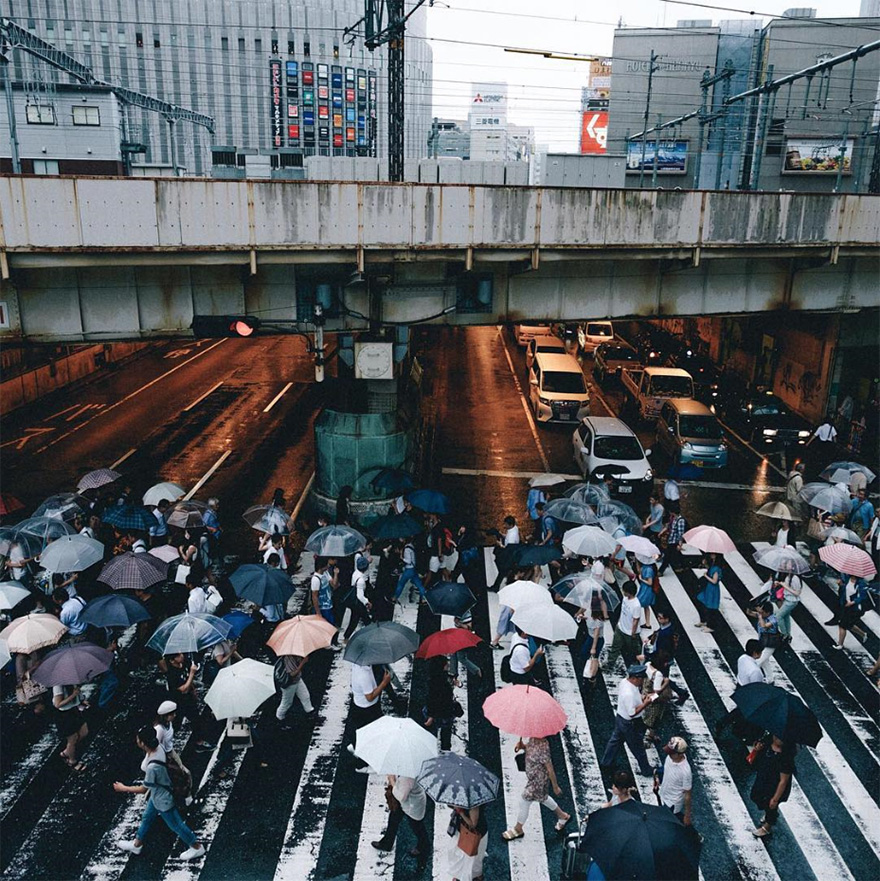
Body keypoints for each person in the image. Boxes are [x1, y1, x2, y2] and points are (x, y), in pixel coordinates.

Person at [114, 726, 205, 860]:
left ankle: (197, 847)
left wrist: (124, 788)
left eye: (138, 739)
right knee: (147, 817)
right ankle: (137, 844)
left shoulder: (152, 767)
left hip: (163, 799)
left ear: (143, 744)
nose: (137, 741)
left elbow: (144, 789)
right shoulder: (159, 748)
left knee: (176, 825)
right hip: (157, 795)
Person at [502, 736, 571, 841]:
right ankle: (562, 816)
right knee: (543, 798)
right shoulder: (533, 739)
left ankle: (518, 829)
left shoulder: (543, 747)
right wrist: (523, 747)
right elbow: (532, 751)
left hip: (538, 782)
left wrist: (555, 786)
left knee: (524, 801)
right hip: (533, 779)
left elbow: (550, 769)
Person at [599, 663, 656, 777]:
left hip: (621, 718)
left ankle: (606, 763)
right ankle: (646, 770)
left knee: (615, 741)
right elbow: (632, 713)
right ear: (634, 678)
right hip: (630, 723)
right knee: (638, 747)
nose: (643, 681)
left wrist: (641, 698)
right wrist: (646, 703)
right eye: (641, 679)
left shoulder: (625, 682)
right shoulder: (628, 693)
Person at [371, 774, 430, 868]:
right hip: (409, 801)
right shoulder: (408, 771)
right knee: (394, 818)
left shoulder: (408, 777)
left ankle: (424, 846)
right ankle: (387, 843)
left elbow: (401, 796)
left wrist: (392, 781)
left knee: (417, 827)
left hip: (412, 805)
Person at [163, 652, 214, 752]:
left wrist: (193, 690)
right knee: (176, 723)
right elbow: (183, 689)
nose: (181, 655)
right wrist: (192, 673)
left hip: (188, 699)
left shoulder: (183, 664)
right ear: (172, 660)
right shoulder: (172, 674)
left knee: (196, 719)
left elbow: (187, 681)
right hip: (178, 701)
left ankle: (199, 742)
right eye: (178, 655)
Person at [346, 663, 392, 772]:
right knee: (369, 734)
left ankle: (355, 745)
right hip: (367, 709)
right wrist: (384, 682)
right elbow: (370, 697)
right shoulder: (364, 675)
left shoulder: (358, 665)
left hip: (360, 705)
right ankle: (361, 765)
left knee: (362, 730)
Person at [715, 640, 765, 739]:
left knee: (741, 712)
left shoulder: (742, 658)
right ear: (755, 652)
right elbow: (757, 687)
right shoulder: (755, 671)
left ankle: (733, 727)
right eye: (760, 652)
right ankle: (725, 724)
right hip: (749, 693)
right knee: (744, 713)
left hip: (740, 686)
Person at [749, 735, 796, 838]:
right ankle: (769, 813)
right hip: (763, 779)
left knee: (771, 805)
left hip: (775, 786)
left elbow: (783, 781)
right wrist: (757, 749)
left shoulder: (786, 757)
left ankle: (767, 826)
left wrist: (775, 799)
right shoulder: (766, 744)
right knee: (755, 796)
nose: (779, 739)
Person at [154, 700, 193, 799]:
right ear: (166, 716)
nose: (175, 715)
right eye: (172, 714)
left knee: (184, 773)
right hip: (165, 757)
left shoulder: (168, 724)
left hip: (171, 752)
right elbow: (155, 746)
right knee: (182, 775)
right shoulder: (159, 729)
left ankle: (186, 797)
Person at [656, 736, 693, 827]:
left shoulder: (685, 771)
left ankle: (692, 834)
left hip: (673, 802)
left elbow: (687, 795)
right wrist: (657, 778)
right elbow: (665, 770)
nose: (669, 754)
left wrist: (687, 815)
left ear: (680, 754)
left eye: (672, 753)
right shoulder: (670, 758)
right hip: (664, 794)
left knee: (673, 821)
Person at [53, 682, 89, 772]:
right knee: (72, 738)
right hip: (64, 715)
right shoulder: (58, 685)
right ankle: (72, 761)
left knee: (84, 732)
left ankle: (66, 752)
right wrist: (73, 695)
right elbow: (58, 704)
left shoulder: (72, 681)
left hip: (74, 710)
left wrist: (81, 700)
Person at [448, 804, 488, 881]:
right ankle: (471, 875)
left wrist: (460, 812)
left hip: (475, 833)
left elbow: (473, 824)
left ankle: (476, 875)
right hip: (463, 829)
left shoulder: (474, 805)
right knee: (462, 855)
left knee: (473, 858)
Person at [607, 581, 642, 668]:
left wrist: (633, 633)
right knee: (615, 647)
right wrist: (619, 623)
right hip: (621, 628)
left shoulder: (636, 605)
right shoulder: (625, 599)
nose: (623, 592)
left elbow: (635, 620)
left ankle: (637, 665)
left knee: (633, 650)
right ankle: (610, 663)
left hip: (630, 632)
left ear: (629, 592)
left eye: (625, 591)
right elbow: (622, 613)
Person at [641, 652, 672, 747]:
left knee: (647, 717)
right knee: (653, 719)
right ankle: (647, 739)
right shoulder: (658, 674)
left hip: (645, 693)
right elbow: (657, 690)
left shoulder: (647, 664)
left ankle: (650, 735)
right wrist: (666, 683)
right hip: (653, 699)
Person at [276, 654, 315, 724]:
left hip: (297, 680)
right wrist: (303, 662)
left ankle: (310, 712)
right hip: (290, 683)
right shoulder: (289, 658)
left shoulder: (296, 654)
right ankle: (279, 718)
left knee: (305, 696)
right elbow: (292, 674)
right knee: (286, 703)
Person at [833, 574, 869, 650]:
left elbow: (863, 597)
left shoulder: (861, 583)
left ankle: (840, 644)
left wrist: (853, 602)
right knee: (848, 625)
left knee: (842, 624)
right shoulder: (846, 579)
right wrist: (841, 585)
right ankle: (863, 634)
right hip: (846, 605)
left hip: (855, 608)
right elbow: (843, 591)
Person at [343, 555, 372, 641]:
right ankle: (346, 636)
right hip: (358, 603)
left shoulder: (355, 573)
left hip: (355, 602)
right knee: (359, 619)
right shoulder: (361, 580)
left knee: (357, 619)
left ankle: (346, 636)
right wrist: (367, 602)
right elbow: (360, 595)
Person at [745, 602, 781, 671]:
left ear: (768, 612)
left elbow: (764, 626)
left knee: (759, 661)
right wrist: (751, 605)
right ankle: (770, 680)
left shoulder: (774, 619)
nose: (761, 613)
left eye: (763, 612)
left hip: (770, 644)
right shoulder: (762, 615)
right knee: (765, 662)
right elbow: (749, 612)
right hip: (763, 641)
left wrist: (760, 616)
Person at [694, 553, 722, 633]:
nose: (711, 554)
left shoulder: (716, 568)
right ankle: (704, 620)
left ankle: (711, 626)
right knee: (700, 600)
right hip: (708, 588)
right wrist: (705, 565)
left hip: (712, 590)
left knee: (711, 607)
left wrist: (706, 576)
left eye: (714, 554)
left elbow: (714, 581)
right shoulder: (713, 564)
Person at [394, 538, 427, 604]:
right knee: (419, 584)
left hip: (408, 569)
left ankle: (394, 598)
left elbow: (408, 561)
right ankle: (424, 599)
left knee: (401, 584)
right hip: (413, 569)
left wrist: (402, 558)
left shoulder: (407, 549)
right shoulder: (411, 546)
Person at [774, 571, 802, 642]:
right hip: (787, 599)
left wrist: (785, 586)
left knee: (778, 616)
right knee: (786, 617)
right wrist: (780, 584)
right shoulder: (788, 576)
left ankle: (784, 634)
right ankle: (788, 635)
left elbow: (797, 593)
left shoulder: (795, 578)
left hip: (791, 601)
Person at [658, 508, 687, 574]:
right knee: (674, 554)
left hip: (674, 541)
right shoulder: (673, 518)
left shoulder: (680, 520)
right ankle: (679, 566)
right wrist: (662, 532)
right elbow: (669, 526)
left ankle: (661, 571)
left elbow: (681, 533)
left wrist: (680, 543)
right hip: (671, 540)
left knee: (667, 556)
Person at [636, 555, 659, 630]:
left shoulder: (648, 569)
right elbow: (639, 570)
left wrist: (641, 579)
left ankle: (636, 622)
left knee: (638, 604)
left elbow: (650, 582)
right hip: (645, 589)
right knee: (646, 606)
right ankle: (647, 623)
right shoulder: (647, 567)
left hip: (646, 590)